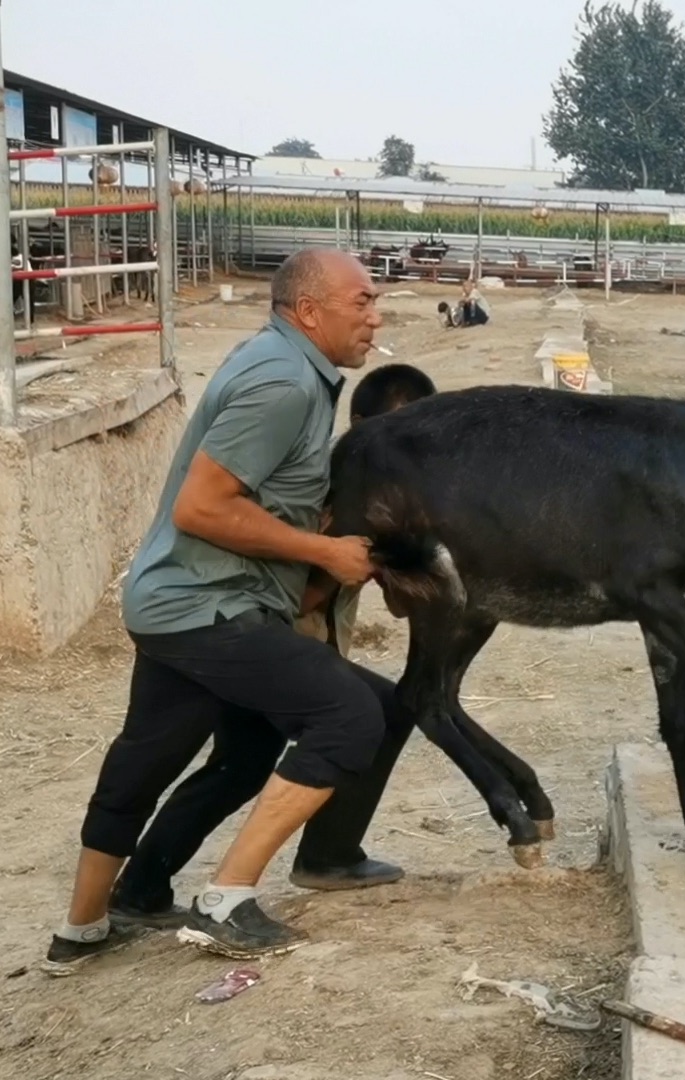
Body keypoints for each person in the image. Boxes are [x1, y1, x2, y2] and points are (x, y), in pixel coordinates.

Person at [44, 248, 415, 975]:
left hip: (185, 601)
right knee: (351, 713)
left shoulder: (292, 371)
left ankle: (97, 920)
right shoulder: (283, 382)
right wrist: (323, 549)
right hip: (205, 607)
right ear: (309, 311)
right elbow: (203, 506)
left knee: (205, 760)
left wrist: (328, 567)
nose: (376, 316)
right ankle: (228, 898)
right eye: (363, 301)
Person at [295, 362, 438, 657]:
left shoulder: (390, 489)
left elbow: (402, 605)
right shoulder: (316, 485)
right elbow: (294, 605)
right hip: (282, 646)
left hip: (326, 644)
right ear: (360, 427)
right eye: (400, 441)